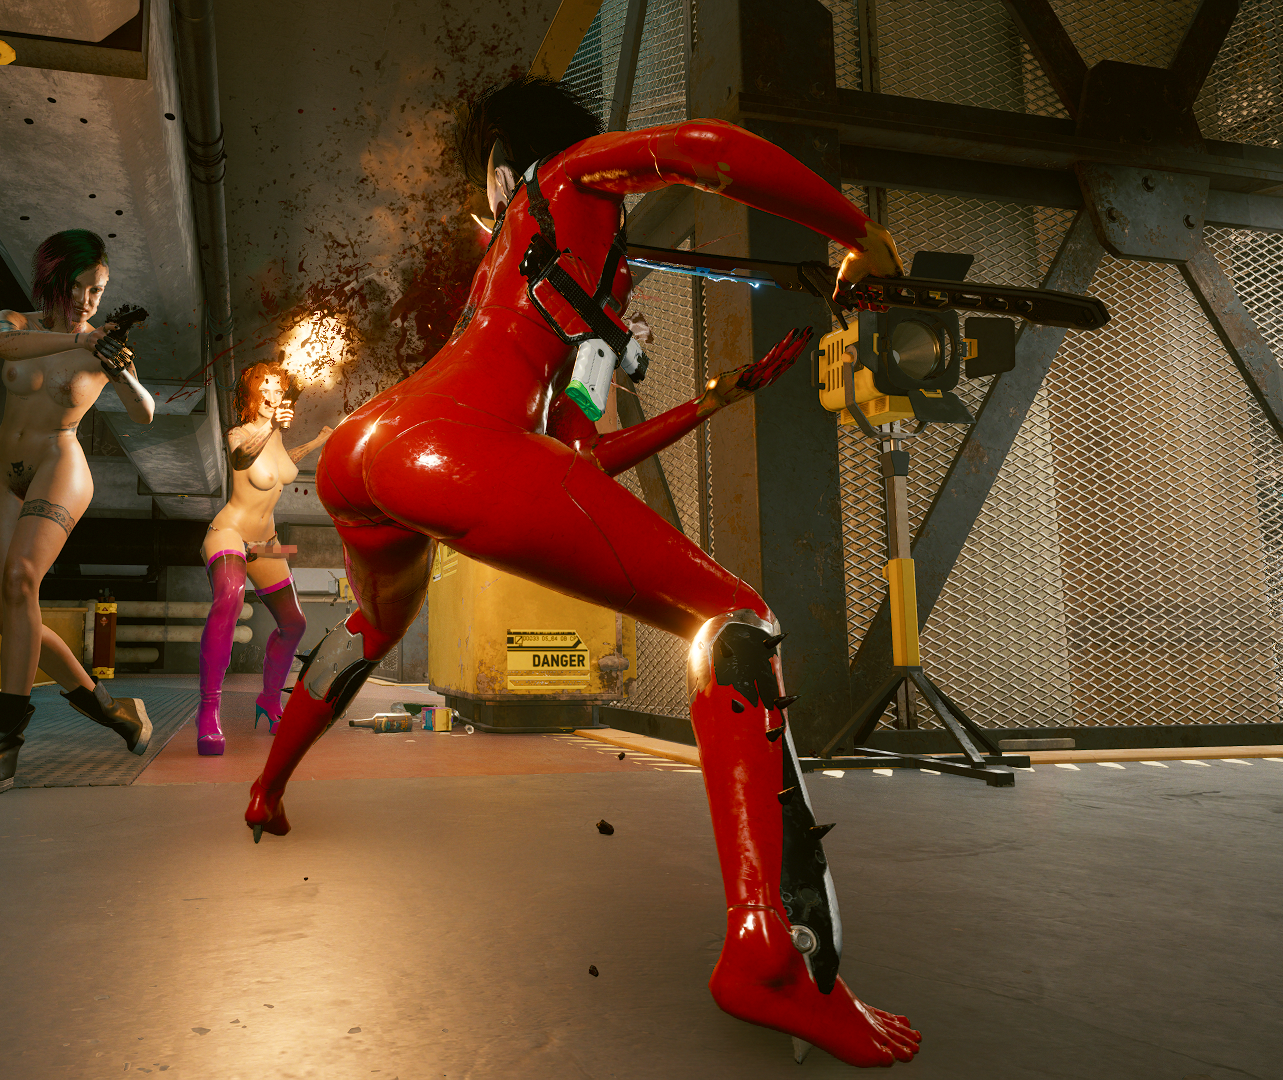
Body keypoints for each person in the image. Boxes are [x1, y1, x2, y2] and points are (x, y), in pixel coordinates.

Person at [241, 79, 920, 1067]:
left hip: (368, 448)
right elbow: (709, 145)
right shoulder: (567, 175)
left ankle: (267, 789)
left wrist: (712, 400)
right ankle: (768, 954)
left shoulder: (519, 267)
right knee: (738, 623)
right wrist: (861, 234)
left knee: (369, 627)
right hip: (449, 445)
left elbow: (573, 458)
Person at [0, 229, 159, 795]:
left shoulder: (102, 346)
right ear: (52, 281)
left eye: (98, 291)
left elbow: (144, 413)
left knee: (21, 579)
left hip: (59, 465)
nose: (88, 300)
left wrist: (117, 368)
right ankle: (109, 708)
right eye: (78, 287)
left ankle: (2, 745)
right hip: (5, 474)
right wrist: (83, 339)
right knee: (10, 617)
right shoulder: (13, 323)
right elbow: (5, 347)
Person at [194, 359, 333, 755]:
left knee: (294, 623)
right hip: (229, 534)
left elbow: (284, 464)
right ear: (252, 395)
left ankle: (270, 701)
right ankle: (208, 711)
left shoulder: (277, 438)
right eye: (265, 387)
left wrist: (318, 441)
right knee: (230, 597)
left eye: (278, 387)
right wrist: (271, 426)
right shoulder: (239, 432)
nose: (274, 393)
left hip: (266, 543)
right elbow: (241, 459)